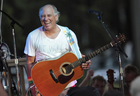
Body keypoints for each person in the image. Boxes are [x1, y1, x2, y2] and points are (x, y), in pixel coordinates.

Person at [24, 4, 91, 96]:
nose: (45, 19)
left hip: (68, 86)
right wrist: (32, 86)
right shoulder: (33, 36)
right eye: (42, 16)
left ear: (56, 16)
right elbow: (29, 63)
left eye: (49, 15)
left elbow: (77, 56)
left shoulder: (68, 34)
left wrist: (84, 62)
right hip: (45, 87)